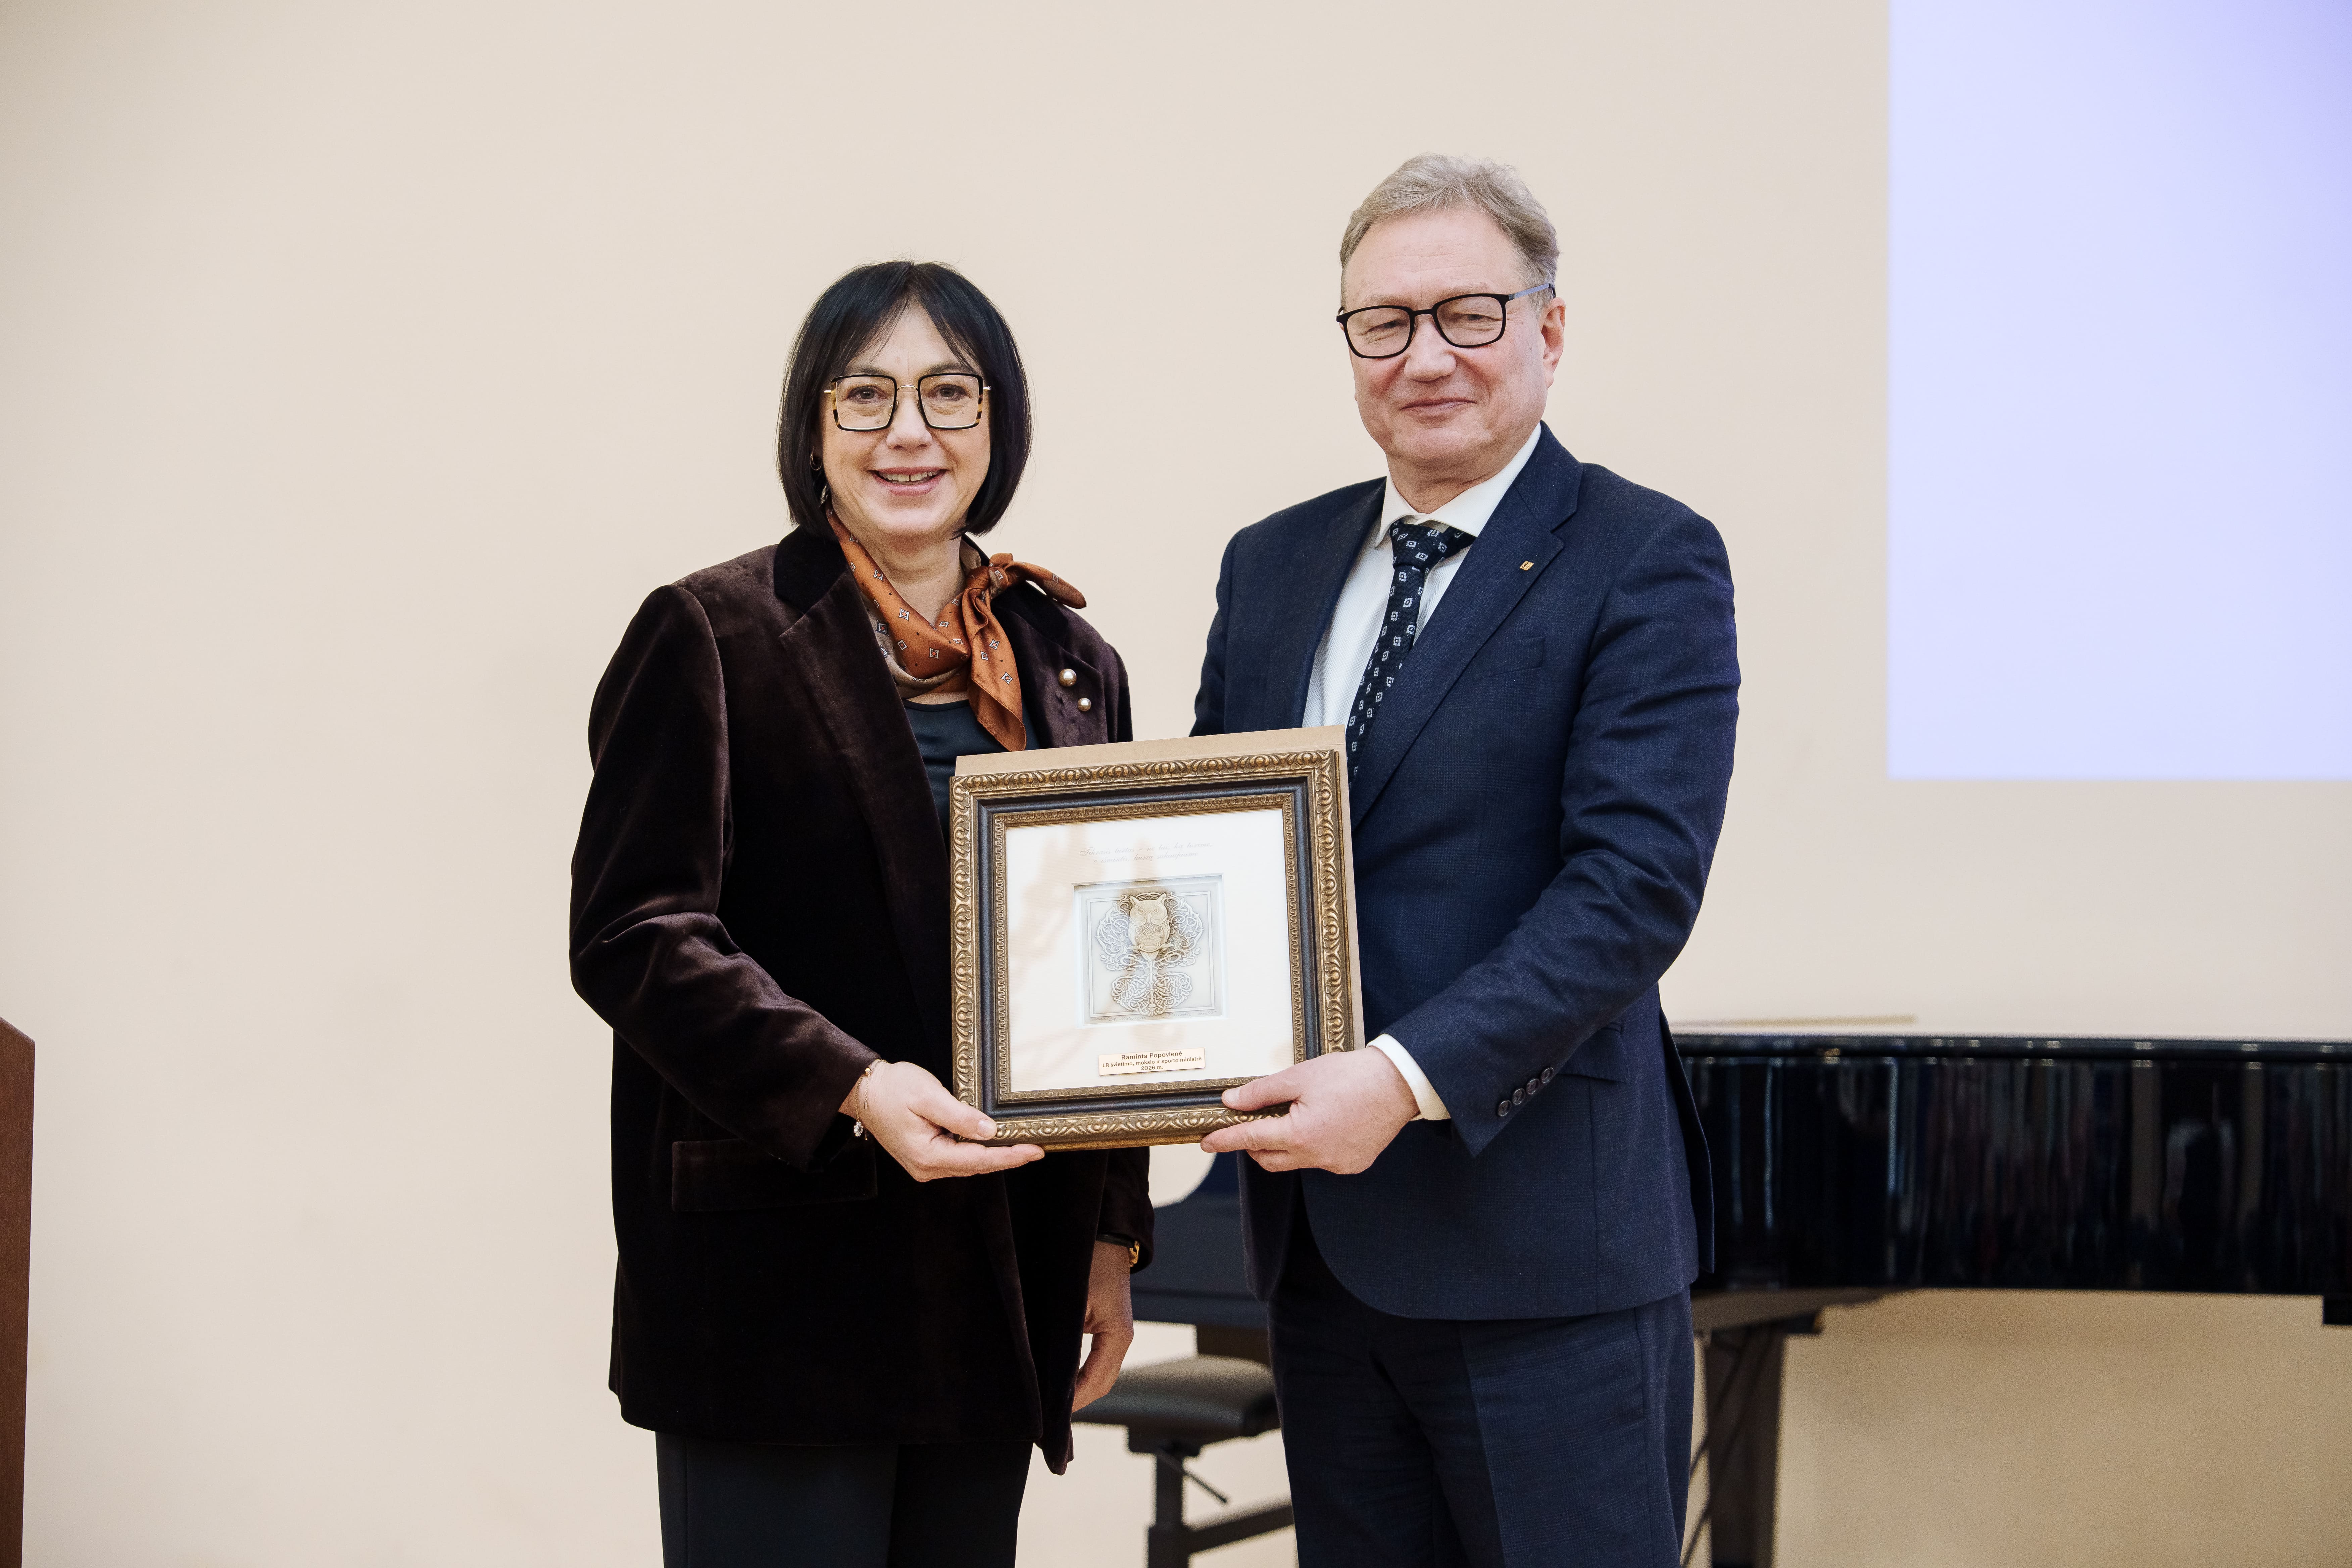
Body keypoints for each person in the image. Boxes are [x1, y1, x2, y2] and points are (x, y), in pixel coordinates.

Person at [1193, 156, 1739, 1567]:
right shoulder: (1272, 565)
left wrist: (1399, 1078)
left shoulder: (1646, 556)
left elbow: (1632, 889)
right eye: (1384, 322)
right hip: (1321, 1261)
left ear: (1549, 329)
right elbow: (1210, 855)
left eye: (1468, 314)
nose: (1424, 355)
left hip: (1542, 1252)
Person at [570, 260, 1152, 1568]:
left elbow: (1108, 971)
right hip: (776, 1289)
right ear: (813, 426)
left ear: (996, 423)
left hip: (995, 1275)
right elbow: (635, 932)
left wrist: (1112, 1232)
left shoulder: (1070, 660)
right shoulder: (713, 631)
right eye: (866, 396)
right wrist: (853, 1084)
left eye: (949, 393)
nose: (909, 432)